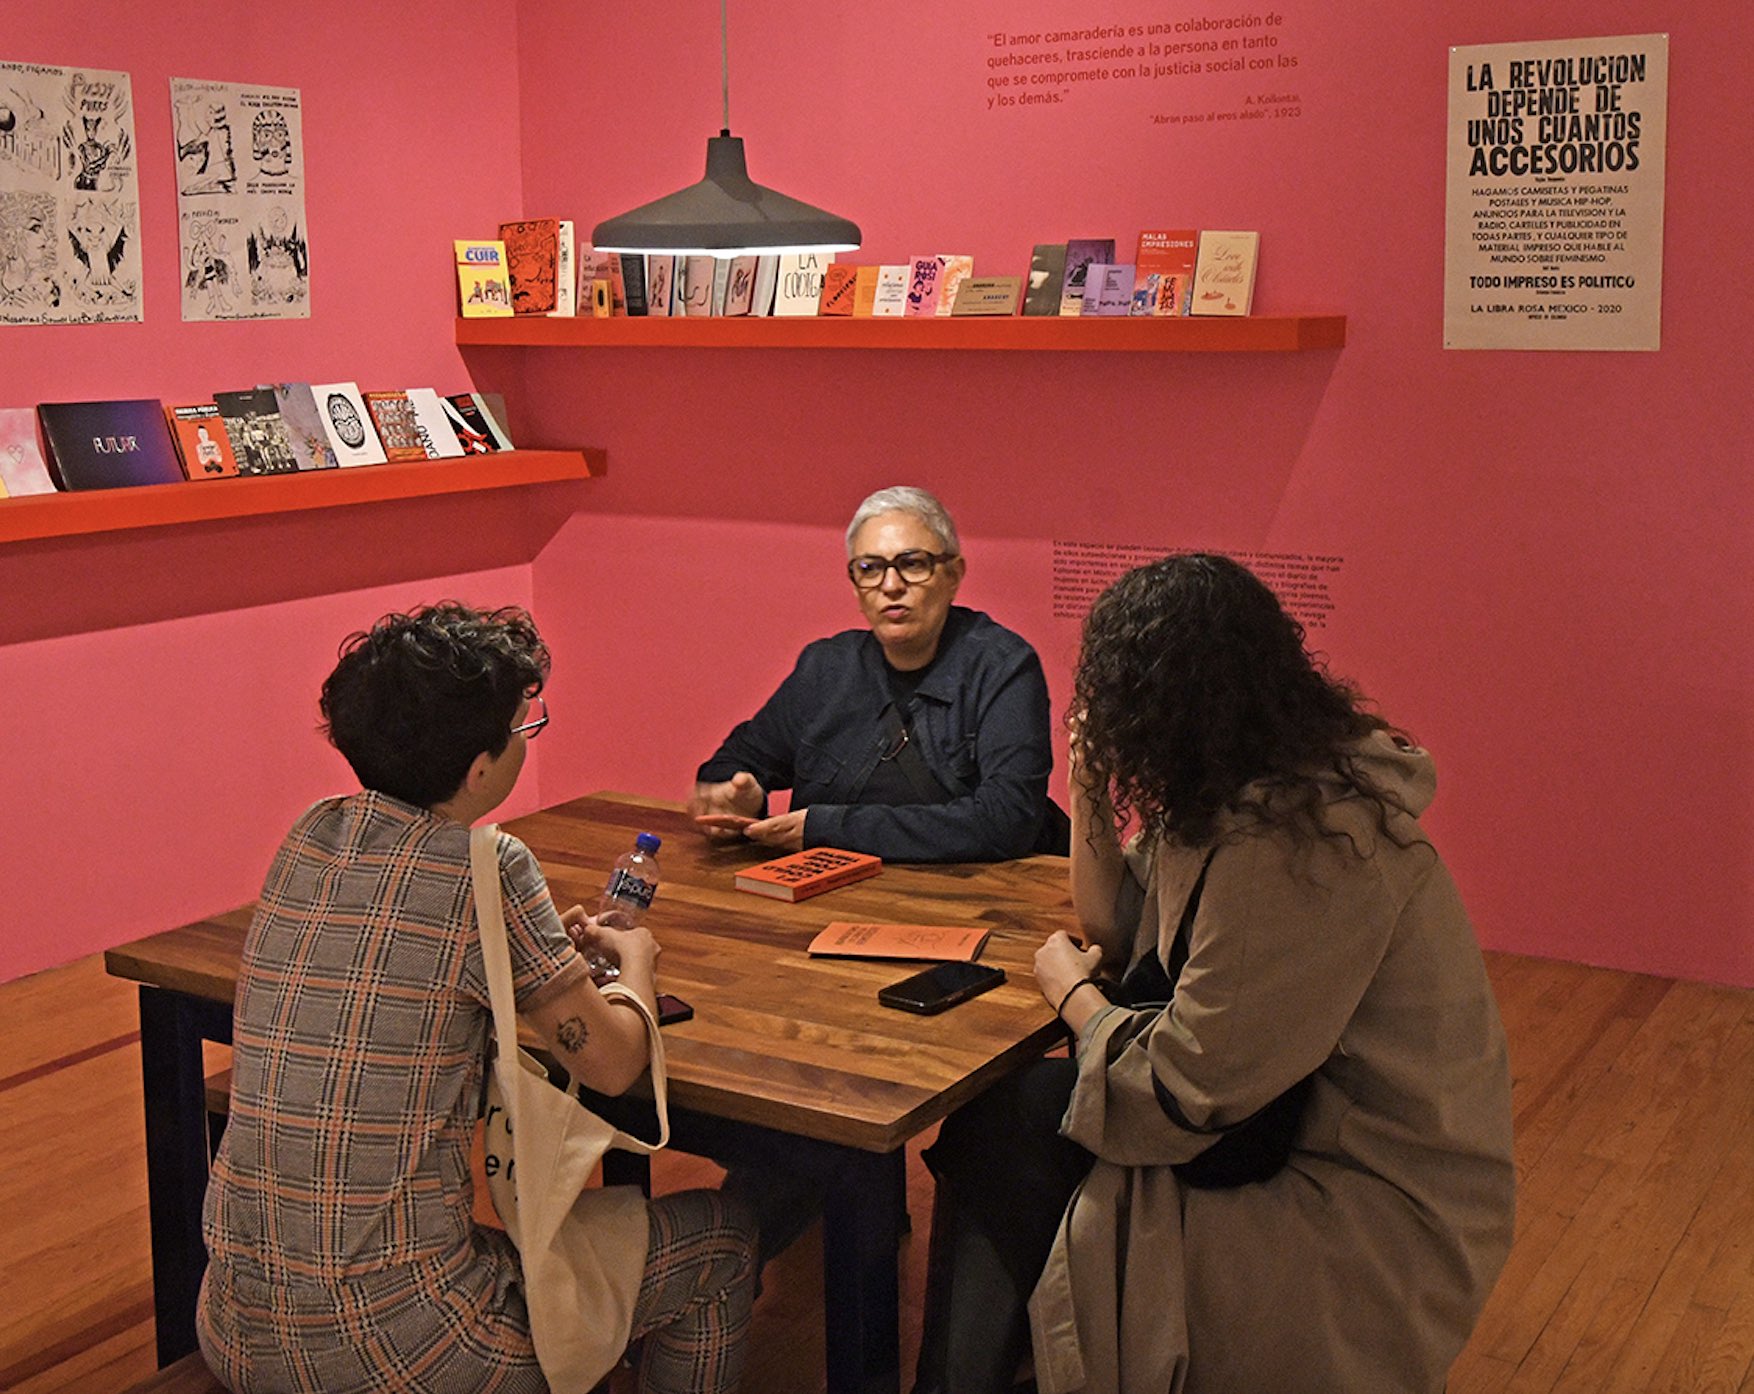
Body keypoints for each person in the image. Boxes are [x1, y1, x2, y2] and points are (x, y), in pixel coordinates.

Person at [912, 553, 1516, 1394]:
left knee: (1012, 1134)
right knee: (1005, 1122)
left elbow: (1188, 1088)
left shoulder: (1303, 840)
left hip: (1357, 1192)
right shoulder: (1249, 789)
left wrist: (1075, 994)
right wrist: (1089, 780)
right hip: (1278, 1126)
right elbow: (1116, 923)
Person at [197, 603, 756, 1394]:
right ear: (480, 767)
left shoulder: (309, 836)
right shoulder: (487, 868)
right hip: (395, 1346)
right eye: (524, 728)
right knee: (723, 1241)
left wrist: (531, 955)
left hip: (234, 1319)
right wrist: (634, 966)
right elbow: (612, 1063)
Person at [692, 485, 1066, 862]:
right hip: (835, 896)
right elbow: (733, 764)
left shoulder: (1002, 666)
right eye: (869, 569)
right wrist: (738, 797)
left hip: (974, 899)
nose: (891, 586)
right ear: (855, 587)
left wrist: (828, 830)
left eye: (913, 564)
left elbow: (1007, 820)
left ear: (953, 575)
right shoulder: (827, 667)